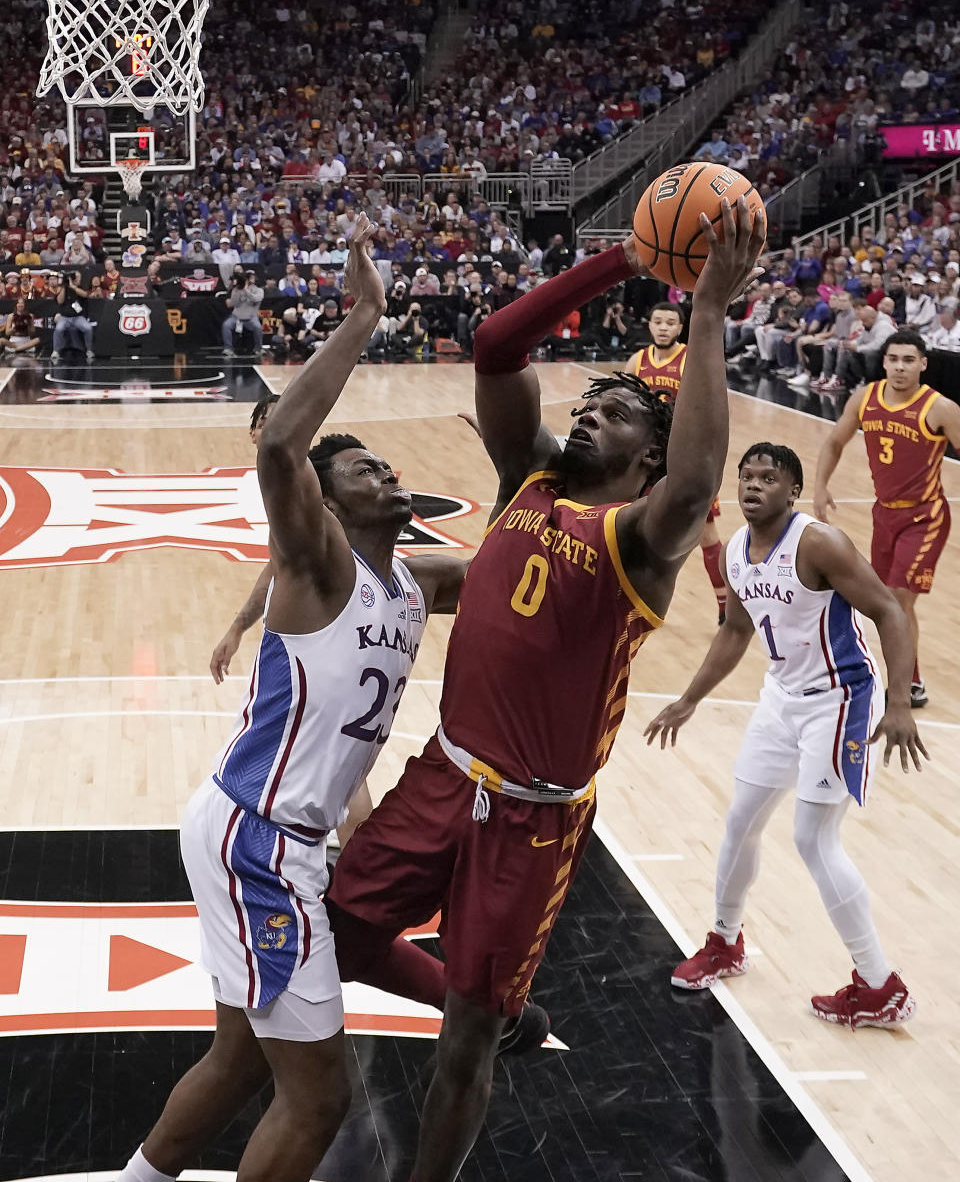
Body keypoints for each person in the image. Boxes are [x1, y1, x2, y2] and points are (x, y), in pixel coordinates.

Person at [325, 196, 766, 1182]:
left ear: (646, 457)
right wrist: (625, 256)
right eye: (583, 406)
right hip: (442, 775)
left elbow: (696, 486)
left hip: (532, 822)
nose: (584, 417)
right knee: (339, 936)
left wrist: (705, 315)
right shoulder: (525, 478)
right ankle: (488, 997)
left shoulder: (644, 542)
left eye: (608, 415)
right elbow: (493, 345)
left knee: (465, 1049)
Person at [116, 217, 467, 1182]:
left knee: (238, 1060)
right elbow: (280, 444)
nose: (387, 474)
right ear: (328, 505)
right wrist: (364, 316)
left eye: (388, 466)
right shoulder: (319, 565)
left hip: (273, 833)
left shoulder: (422, 579)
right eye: (362, 471)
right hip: (260, 839)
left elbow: (540, 572)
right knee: (319, 1097)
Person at [646, 442, 925, 1028]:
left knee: (813, 838)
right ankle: (725, 942)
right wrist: (689, 698)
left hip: (841, 697)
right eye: (746, 476)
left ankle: (880, 986)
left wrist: (899, 703)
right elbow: (735, 630)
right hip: (781, 697)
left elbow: (889, 612)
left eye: (767, 478)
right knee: (741, 820)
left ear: (791, 490)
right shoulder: (735, 553)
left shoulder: (819, 542)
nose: (752, 486)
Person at [208, 393, 372, 849]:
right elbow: (279, 565)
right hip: (333, 619)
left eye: (287, 417)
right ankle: (343, 857)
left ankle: (344, 863)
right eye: (269, 419)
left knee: (332, 751)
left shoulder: (305, 482)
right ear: (254, 431)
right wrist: (239, 626)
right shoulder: (293, 487)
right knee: (332, 750)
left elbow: (292, 564)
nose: (277, 427)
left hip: (330, 623)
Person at [814, 329, 960, 706]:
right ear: (884, 362)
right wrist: (820, 486)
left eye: (909, 360)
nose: (900, 367)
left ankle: (910, 684)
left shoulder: (941, 408)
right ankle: (902, 674)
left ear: (923, 364)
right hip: (884, 515)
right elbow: (834, 441)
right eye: (894, 359)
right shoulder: (866, 398)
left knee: (898, 600)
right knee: (881, 601)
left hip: (926, 518)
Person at [627, 302, 727, 623]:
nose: (663, 328)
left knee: (707, 534)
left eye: (670, 322)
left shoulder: (691, 361)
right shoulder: (637, 361)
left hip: (686, 459)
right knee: (634, 527)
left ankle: (727, 603)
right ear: (649, 325)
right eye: (658, 321)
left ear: (681, 328)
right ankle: (629, 597)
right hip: (648, 460)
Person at [50, 271, 94, 362]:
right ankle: (55, 351)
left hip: (78, 317)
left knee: (88, 328)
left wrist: (73, 287)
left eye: (78, 278)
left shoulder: (79, 288)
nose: (77, 279)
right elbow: (60, 301)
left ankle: (89, 350)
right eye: (75, 278)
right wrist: (64, 287)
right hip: (65, 317)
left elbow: (85, 294)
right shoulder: (63, 289)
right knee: (58, 329)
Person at [222, 269, 264, 357]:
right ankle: (228, 349)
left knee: (258, 327)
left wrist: (246, 291)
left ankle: (258, 348)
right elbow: (234, 303)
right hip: (236, 317)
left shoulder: (259, 290)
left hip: (251, 317)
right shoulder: (237, 289)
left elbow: (256, 299)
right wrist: (236, 291)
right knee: (226, 325)